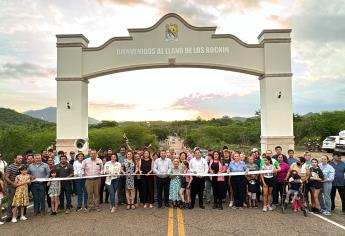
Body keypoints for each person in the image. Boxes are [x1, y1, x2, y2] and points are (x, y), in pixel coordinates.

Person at [4, 155, 22, 222]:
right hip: (11, 186)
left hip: (20, 186)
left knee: (19, 200)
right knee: (11, 201)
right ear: (15, 159)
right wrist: (12, 183)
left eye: (21, 158)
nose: (20, 159)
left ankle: (19, 214)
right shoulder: (10, 166)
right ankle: (9, 216)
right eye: (19, 158)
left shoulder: (22, 166)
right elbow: (6, 177)